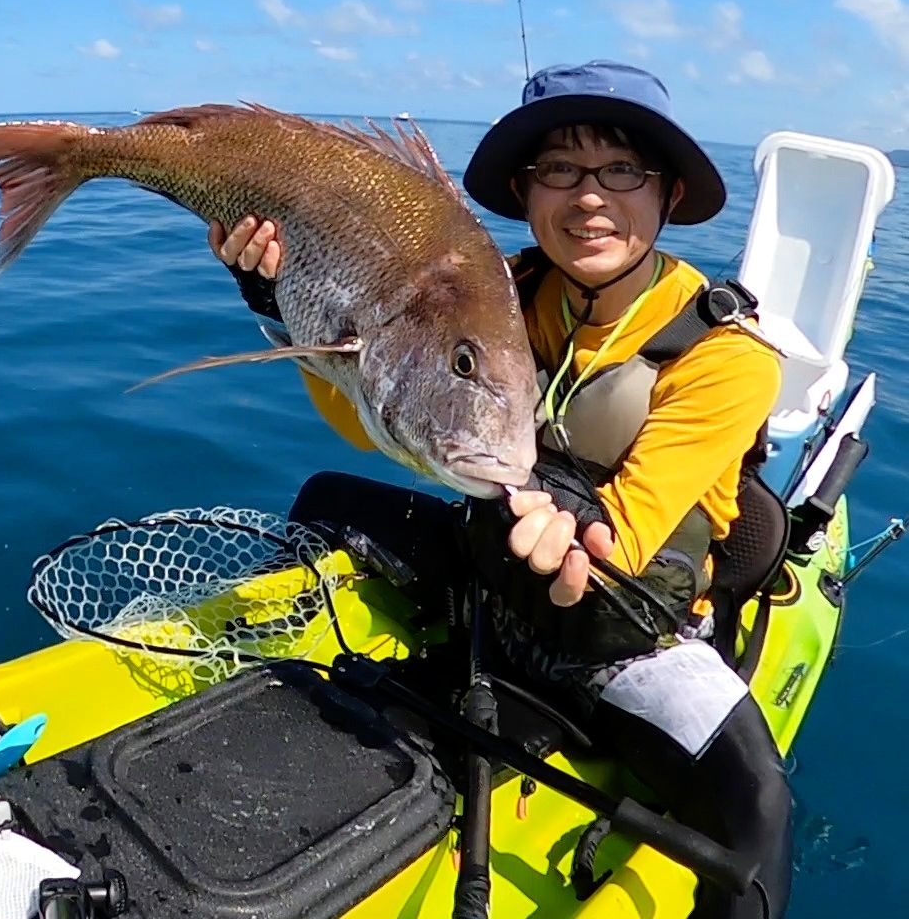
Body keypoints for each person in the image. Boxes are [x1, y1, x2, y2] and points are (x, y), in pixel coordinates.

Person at [208, 61, 792, 919]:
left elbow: (623, 539)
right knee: (326, 495)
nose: (589, 197)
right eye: (560, 169)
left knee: (760, 809)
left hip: (620, 628)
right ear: (526, 191)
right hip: (489, 571)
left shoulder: (729, 356)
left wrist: (571, 528)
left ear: (667, 192)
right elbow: (367, 422)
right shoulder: (495, 294)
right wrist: (278, 300)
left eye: (621, 169)